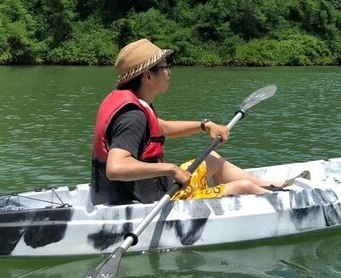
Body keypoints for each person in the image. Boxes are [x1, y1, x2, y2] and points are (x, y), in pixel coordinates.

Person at [90, 38, 288, 205]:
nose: (169, 71)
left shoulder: (136, 104)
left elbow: (164, 127)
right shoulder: (132, 117)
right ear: (148, 76)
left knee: (212, 158)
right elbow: (116, 168)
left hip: (154, 188)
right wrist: (171, 169)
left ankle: (271, 187)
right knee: (243, 188)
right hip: (153, 201)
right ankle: (284, 202)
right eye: (165, 66)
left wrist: (205, 125)